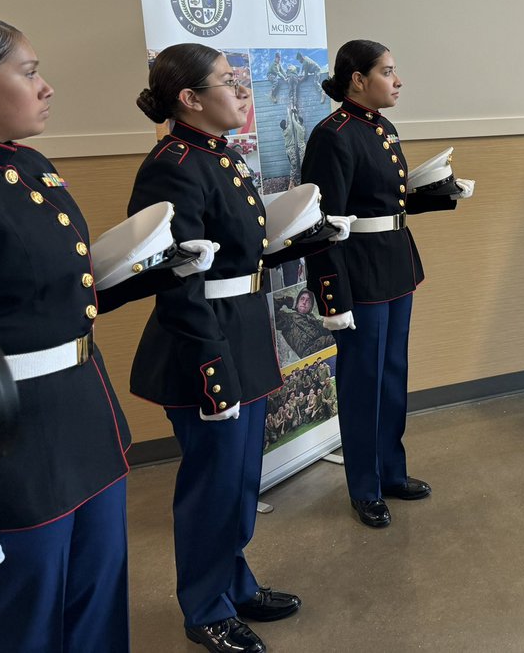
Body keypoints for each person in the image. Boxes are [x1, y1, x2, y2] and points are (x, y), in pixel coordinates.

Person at [0, 12, 203, 651]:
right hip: (4, 444)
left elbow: (62, 302)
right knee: (23, 623)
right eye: (29, 72)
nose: (46, 87)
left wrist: (158, 273)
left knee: (97, 606)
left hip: (84, 419)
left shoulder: (30, 165)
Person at [129, 43, 348, 653]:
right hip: (205, 345)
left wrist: (306, 239)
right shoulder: (173, 164)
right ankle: (204, 608)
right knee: (212, 488)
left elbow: (239, 254)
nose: (243, 92)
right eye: (229, 82)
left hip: (243, 332)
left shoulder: (218, 156)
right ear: (190, 99)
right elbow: (178, 281)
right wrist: (211, 365)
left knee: (239, 481)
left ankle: (233, 582)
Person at [301, 39, 472, 529]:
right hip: (360, 276)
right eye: (388, 71)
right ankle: (365, 487)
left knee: (393, 377)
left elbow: (387, 202)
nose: (397, 81)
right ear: (358, 78)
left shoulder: (383, 126)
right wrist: (332, 296)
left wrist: (441, 192)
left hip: (396, 266)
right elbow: (325, 222)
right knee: (363, 383)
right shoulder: (331, 135)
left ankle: (391, 471)